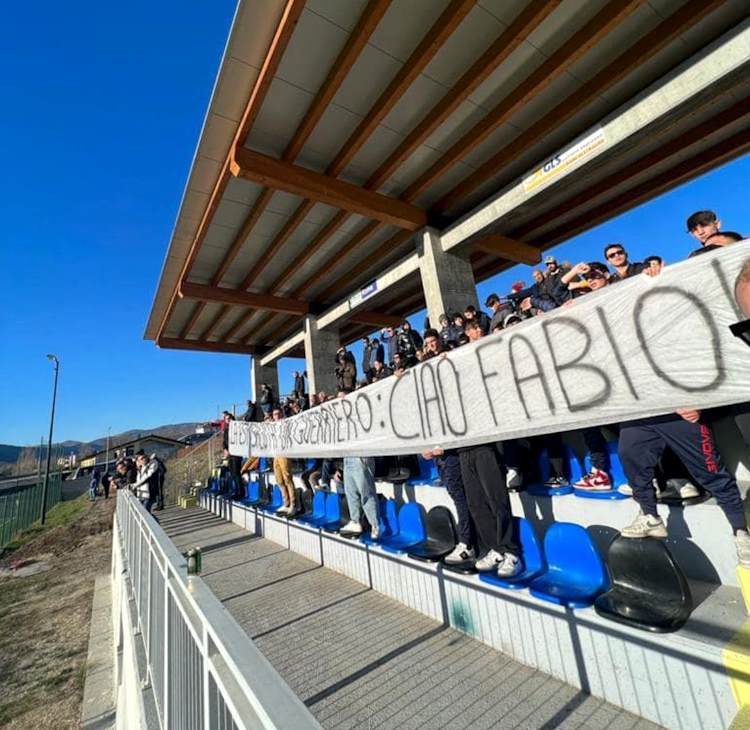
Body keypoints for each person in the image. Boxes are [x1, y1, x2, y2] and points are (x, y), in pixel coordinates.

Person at [459, 320, 522, 577]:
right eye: (471, 332)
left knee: (497, 499)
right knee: (476, 502)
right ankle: (494, 548)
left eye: (477, 330)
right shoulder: (458, 364)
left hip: (486, 441)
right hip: (464, 444)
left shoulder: (490, 355)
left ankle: (512, 551)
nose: (476, 334)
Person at [341, 454, 380, 538]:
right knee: (351, 493)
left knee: (366, 493)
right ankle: (355, 521)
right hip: (347, 457)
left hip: (361, 456)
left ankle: (375, 525)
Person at [270, 407, 298, 516]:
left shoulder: (285, 424)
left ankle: (293, 504)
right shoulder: (273, 426)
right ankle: (286, 503)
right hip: (275, 455)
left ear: (281, 414)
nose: (276, 416)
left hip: (284, 453)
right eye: (274, 414)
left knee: (287, 479)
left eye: (278, 414)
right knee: (279, 480)